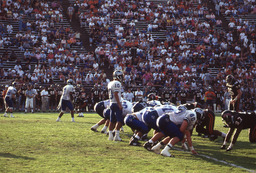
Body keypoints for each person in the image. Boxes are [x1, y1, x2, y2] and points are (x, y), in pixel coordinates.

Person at [108, 70, 124, 141]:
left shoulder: (110, 83)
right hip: (116, 103)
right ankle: (116, 136)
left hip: (111, 103)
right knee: (120, 120)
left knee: (112, 120)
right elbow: (116, 94)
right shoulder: (117, 83)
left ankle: (110, 135)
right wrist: (119, 104)